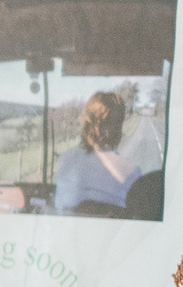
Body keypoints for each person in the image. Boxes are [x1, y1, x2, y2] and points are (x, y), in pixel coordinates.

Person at [52, 86, 159, 215]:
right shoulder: (132, 176)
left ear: (87, 123)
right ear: (118, 126)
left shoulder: (66, 158)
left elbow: (60, 204)